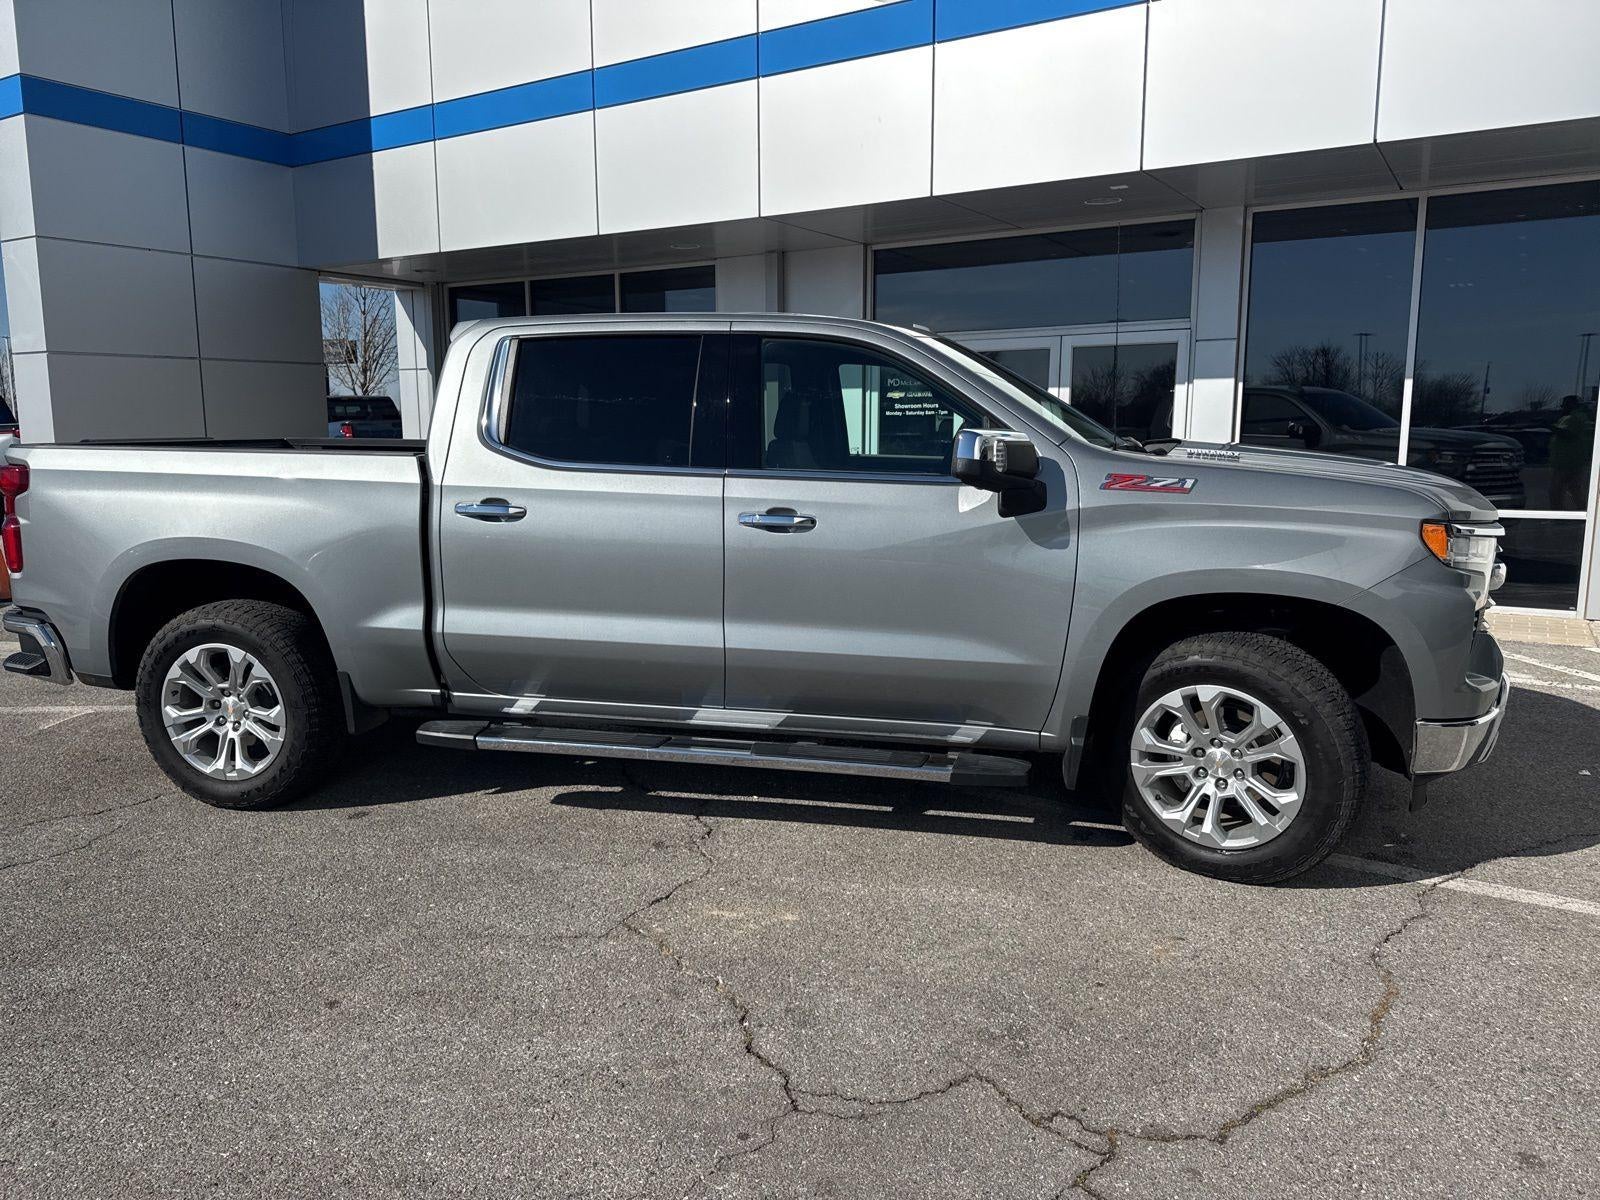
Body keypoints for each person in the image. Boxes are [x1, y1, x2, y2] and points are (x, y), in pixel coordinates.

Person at [1549, 394, 1596, 510]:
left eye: (1565, 404)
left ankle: (1559, 516)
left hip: (1568, 461)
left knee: (1556, 490)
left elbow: (1568, 434)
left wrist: (1550, 427)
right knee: (1574, 488)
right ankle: (1582, 512)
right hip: (1571, 460)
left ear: (1572, 405)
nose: (1562, 406)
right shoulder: (1572, 417)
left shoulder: (1574, 418)